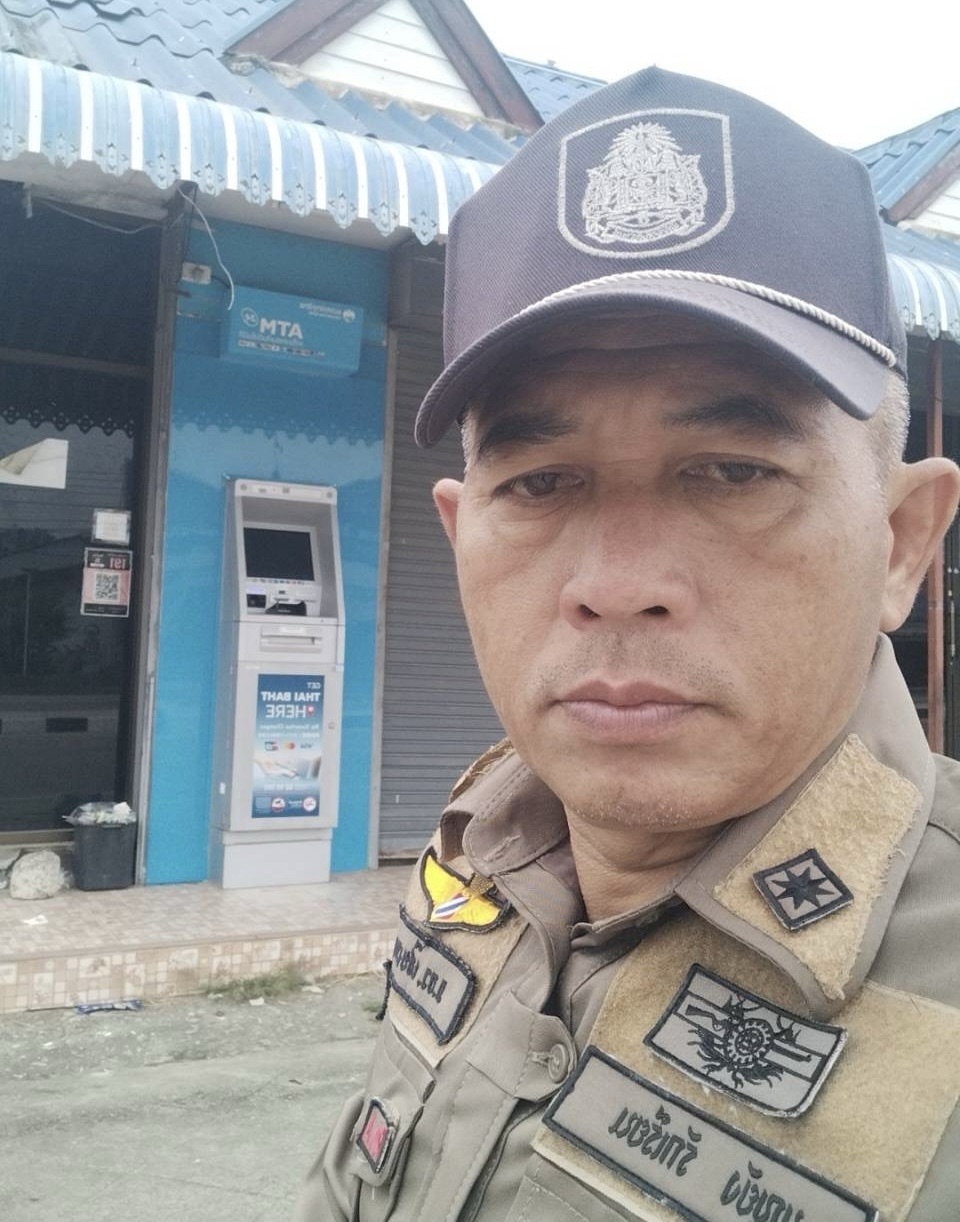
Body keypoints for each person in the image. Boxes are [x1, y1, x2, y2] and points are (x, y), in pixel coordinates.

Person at [297, 66, 960, 1222]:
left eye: (734, 472)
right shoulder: (479, 852)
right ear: (459, 536)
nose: (615, 585)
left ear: (903, 543)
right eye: (539, 481)